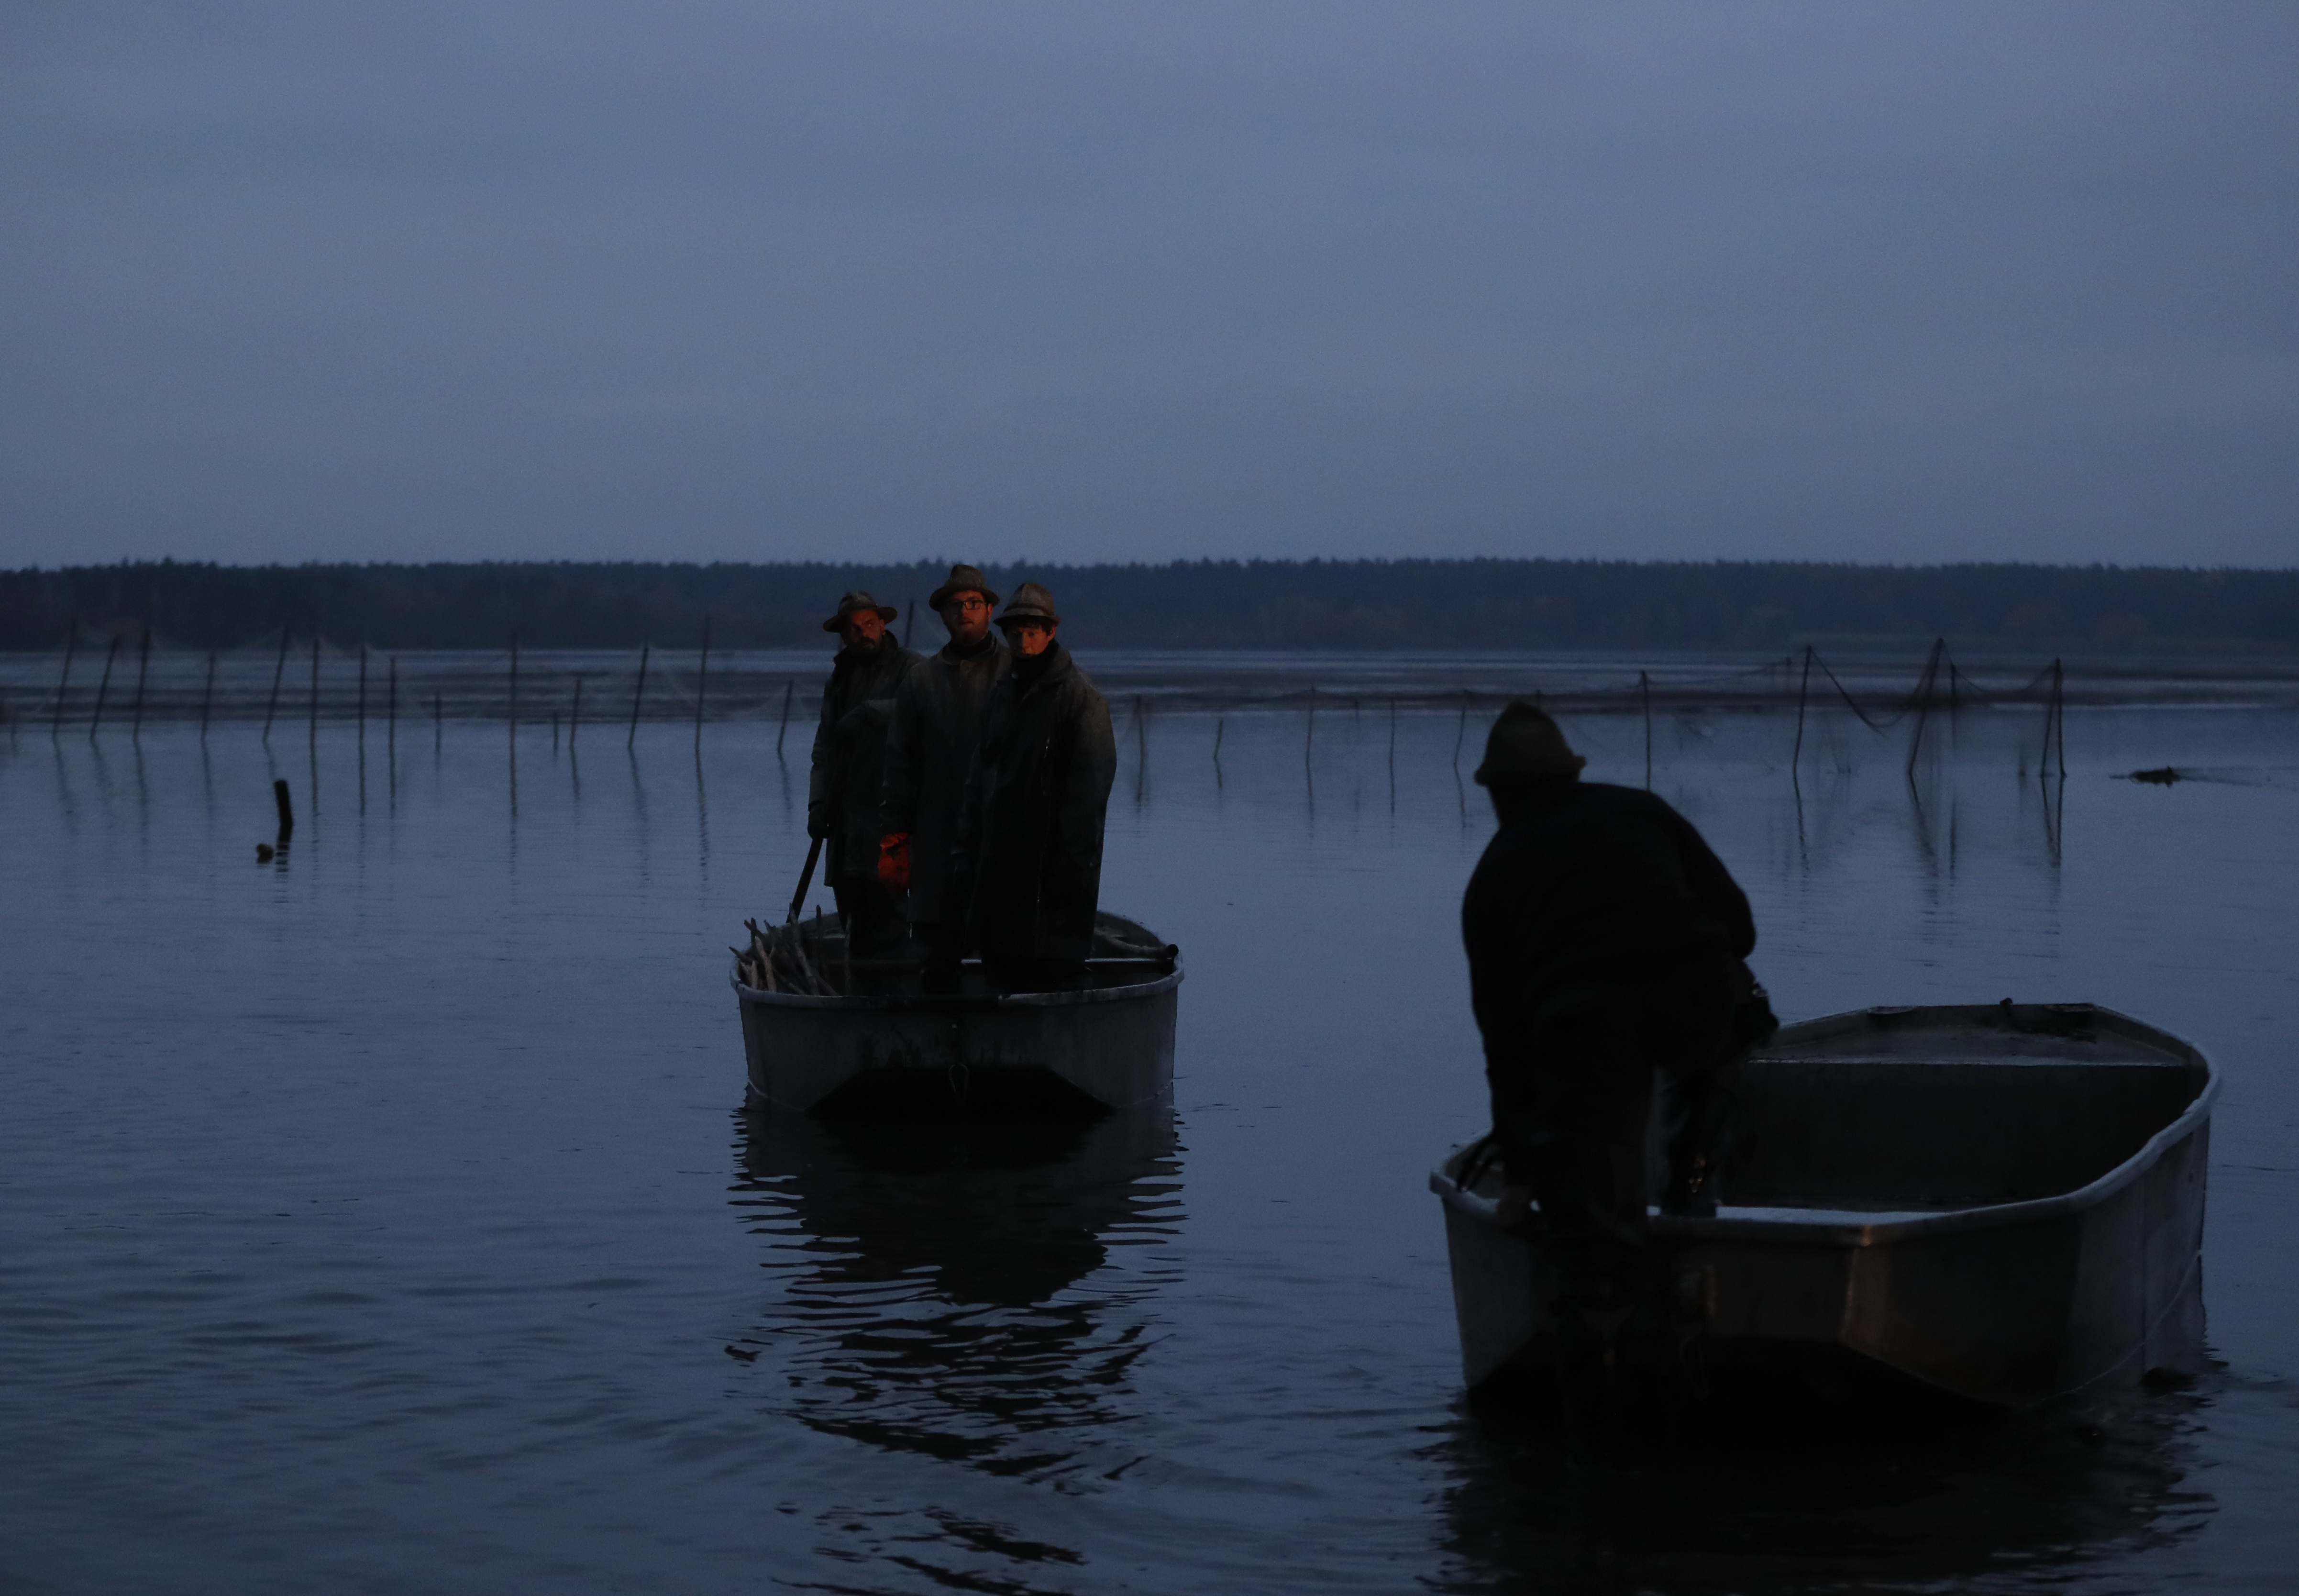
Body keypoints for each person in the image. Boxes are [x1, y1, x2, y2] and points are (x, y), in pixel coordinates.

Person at [1459, 701, 1773, 1438]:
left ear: (1497, 793)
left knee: (1593, 1251)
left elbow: (1504, 1043)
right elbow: (1740, 929)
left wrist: (1525, 1170)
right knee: (1737, 1021)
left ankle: (1596, 1451)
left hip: (1584, 1031)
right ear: (1570, 772)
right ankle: (1694, 1180)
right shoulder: (1642, 813)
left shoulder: (1493, 879)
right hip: (1694, 1001)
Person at [958, 583, 1117, 989]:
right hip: (1000, 879)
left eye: (1032, 632)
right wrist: (968, 852)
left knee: (1053, 980)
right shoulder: (1002, 696)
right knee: (1001, 980)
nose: (1023, 642)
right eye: (1015, 633)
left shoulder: (1081, 700)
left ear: (1051, 633)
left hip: (1055, 885)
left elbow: (1088, 801)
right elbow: (980, 783)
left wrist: (1070, 877)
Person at [879, 564, 1011, 981]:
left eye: (975, 603)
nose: (965, 612)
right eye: (955, 605)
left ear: (990, 611)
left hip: (1002, 838)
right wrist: (895, 837)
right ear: (943, 615)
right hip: (935, 836)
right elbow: (900, 763)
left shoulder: (1018, 672)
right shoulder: (922, 680)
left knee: (1005, 949)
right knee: (936, 956)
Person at [806, 590, 923, 957]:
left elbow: (924, 713)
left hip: (892, 818)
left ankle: (898, 994)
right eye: (854, 629)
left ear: (883, 624)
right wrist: (817, 803)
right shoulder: (839, 679)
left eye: (869, 625)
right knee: (853, 915)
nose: (863, 634)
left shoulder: (913, 669)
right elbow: (824, 748)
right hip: (845, 822)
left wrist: (872, 712)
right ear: (844, 635)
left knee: (892, 913)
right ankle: (860, 993)